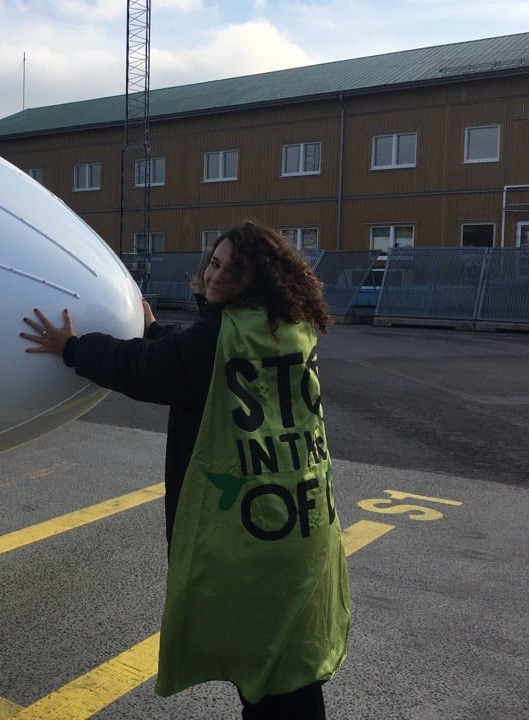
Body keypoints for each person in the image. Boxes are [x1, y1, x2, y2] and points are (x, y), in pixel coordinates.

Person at [20, 220, 350, 720]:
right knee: (290, 665)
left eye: (230, 269)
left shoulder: (219, 337)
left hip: (248, 534)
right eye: (214, 263)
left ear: (257, 278)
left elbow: (151, 371)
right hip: (300, 524)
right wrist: (157, 333)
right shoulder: (289, 326)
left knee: (267, 678)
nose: (215, 275)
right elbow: (196, 362)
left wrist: (72, 347)